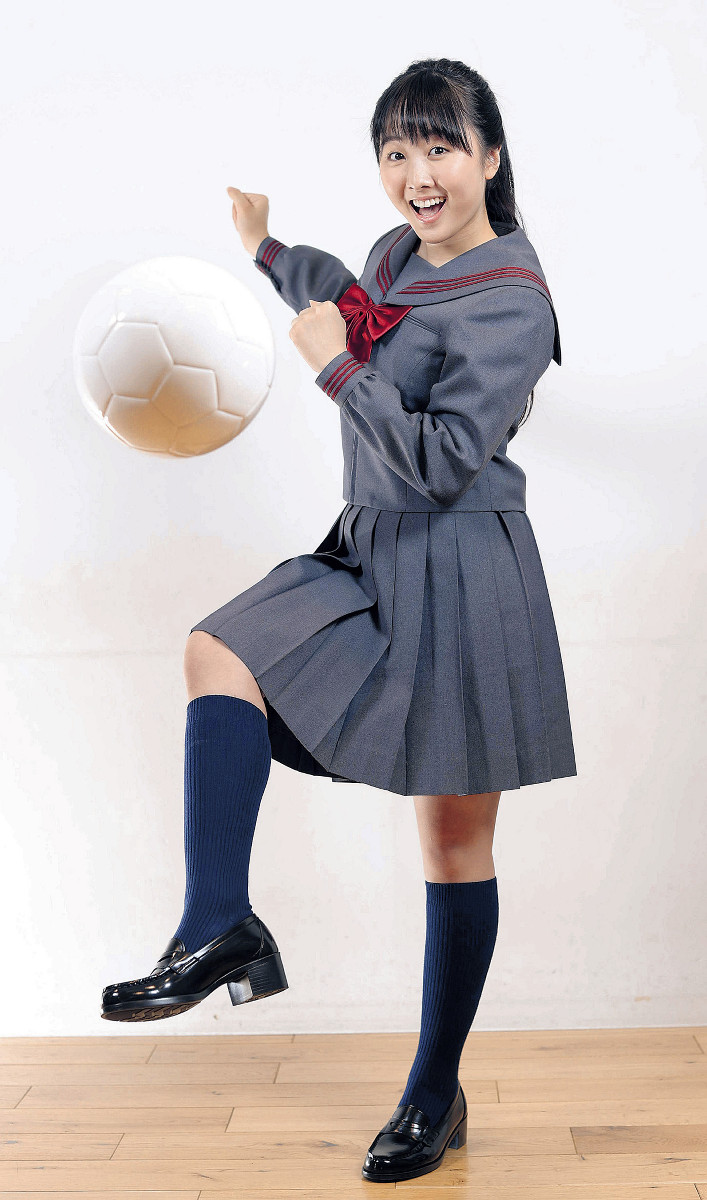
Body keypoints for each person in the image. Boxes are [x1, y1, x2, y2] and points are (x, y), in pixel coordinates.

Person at [101, 57, 577, 1183]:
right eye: (396, 152)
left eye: (440, 147)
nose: (418, 174)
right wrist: (269, 250)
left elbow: (444, 461)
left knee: (451, 842)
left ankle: (432, 1094)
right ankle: (218, 923)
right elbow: (352, 306)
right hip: (367, 548)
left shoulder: (513, 302)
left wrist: (334, 377)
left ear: (490, 156)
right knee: (218, 650)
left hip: (463, 565)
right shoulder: (397, 254)